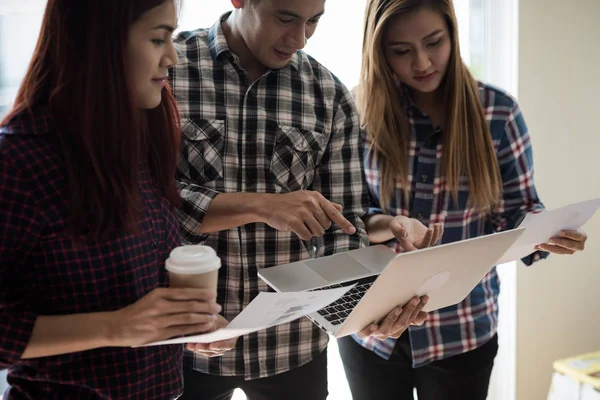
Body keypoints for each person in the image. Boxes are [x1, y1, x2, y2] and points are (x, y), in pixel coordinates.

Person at [169, 0, 429, 398]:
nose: (299, 38)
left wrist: (363, 310)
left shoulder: (330, 95)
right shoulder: (166, 67)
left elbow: (345, 229)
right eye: (285, 18)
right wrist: (261, 204)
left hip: (293, 346)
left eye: (314, 21)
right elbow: (142, 205)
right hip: (184, 342)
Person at [337, 1, 589, 399]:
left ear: (453, 33)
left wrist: (545, 233)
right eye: (401, 51)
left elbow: (517, 211)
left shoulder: (498, 114)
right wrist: (388, 223)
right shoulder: (356, 112)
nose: (422, 62)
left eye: (434, 42)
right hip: (373, 328)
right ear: (378, 50)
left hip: (463, 330)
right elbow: (346, 219)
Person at [0, 1, 222, 398]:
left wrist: (179, 325)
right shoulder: (18, 162)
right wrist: (115, 326)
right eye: (158, 39)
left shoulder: (139, 141)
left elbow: (132, 297)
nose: (172, 57)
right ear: (98, 42)